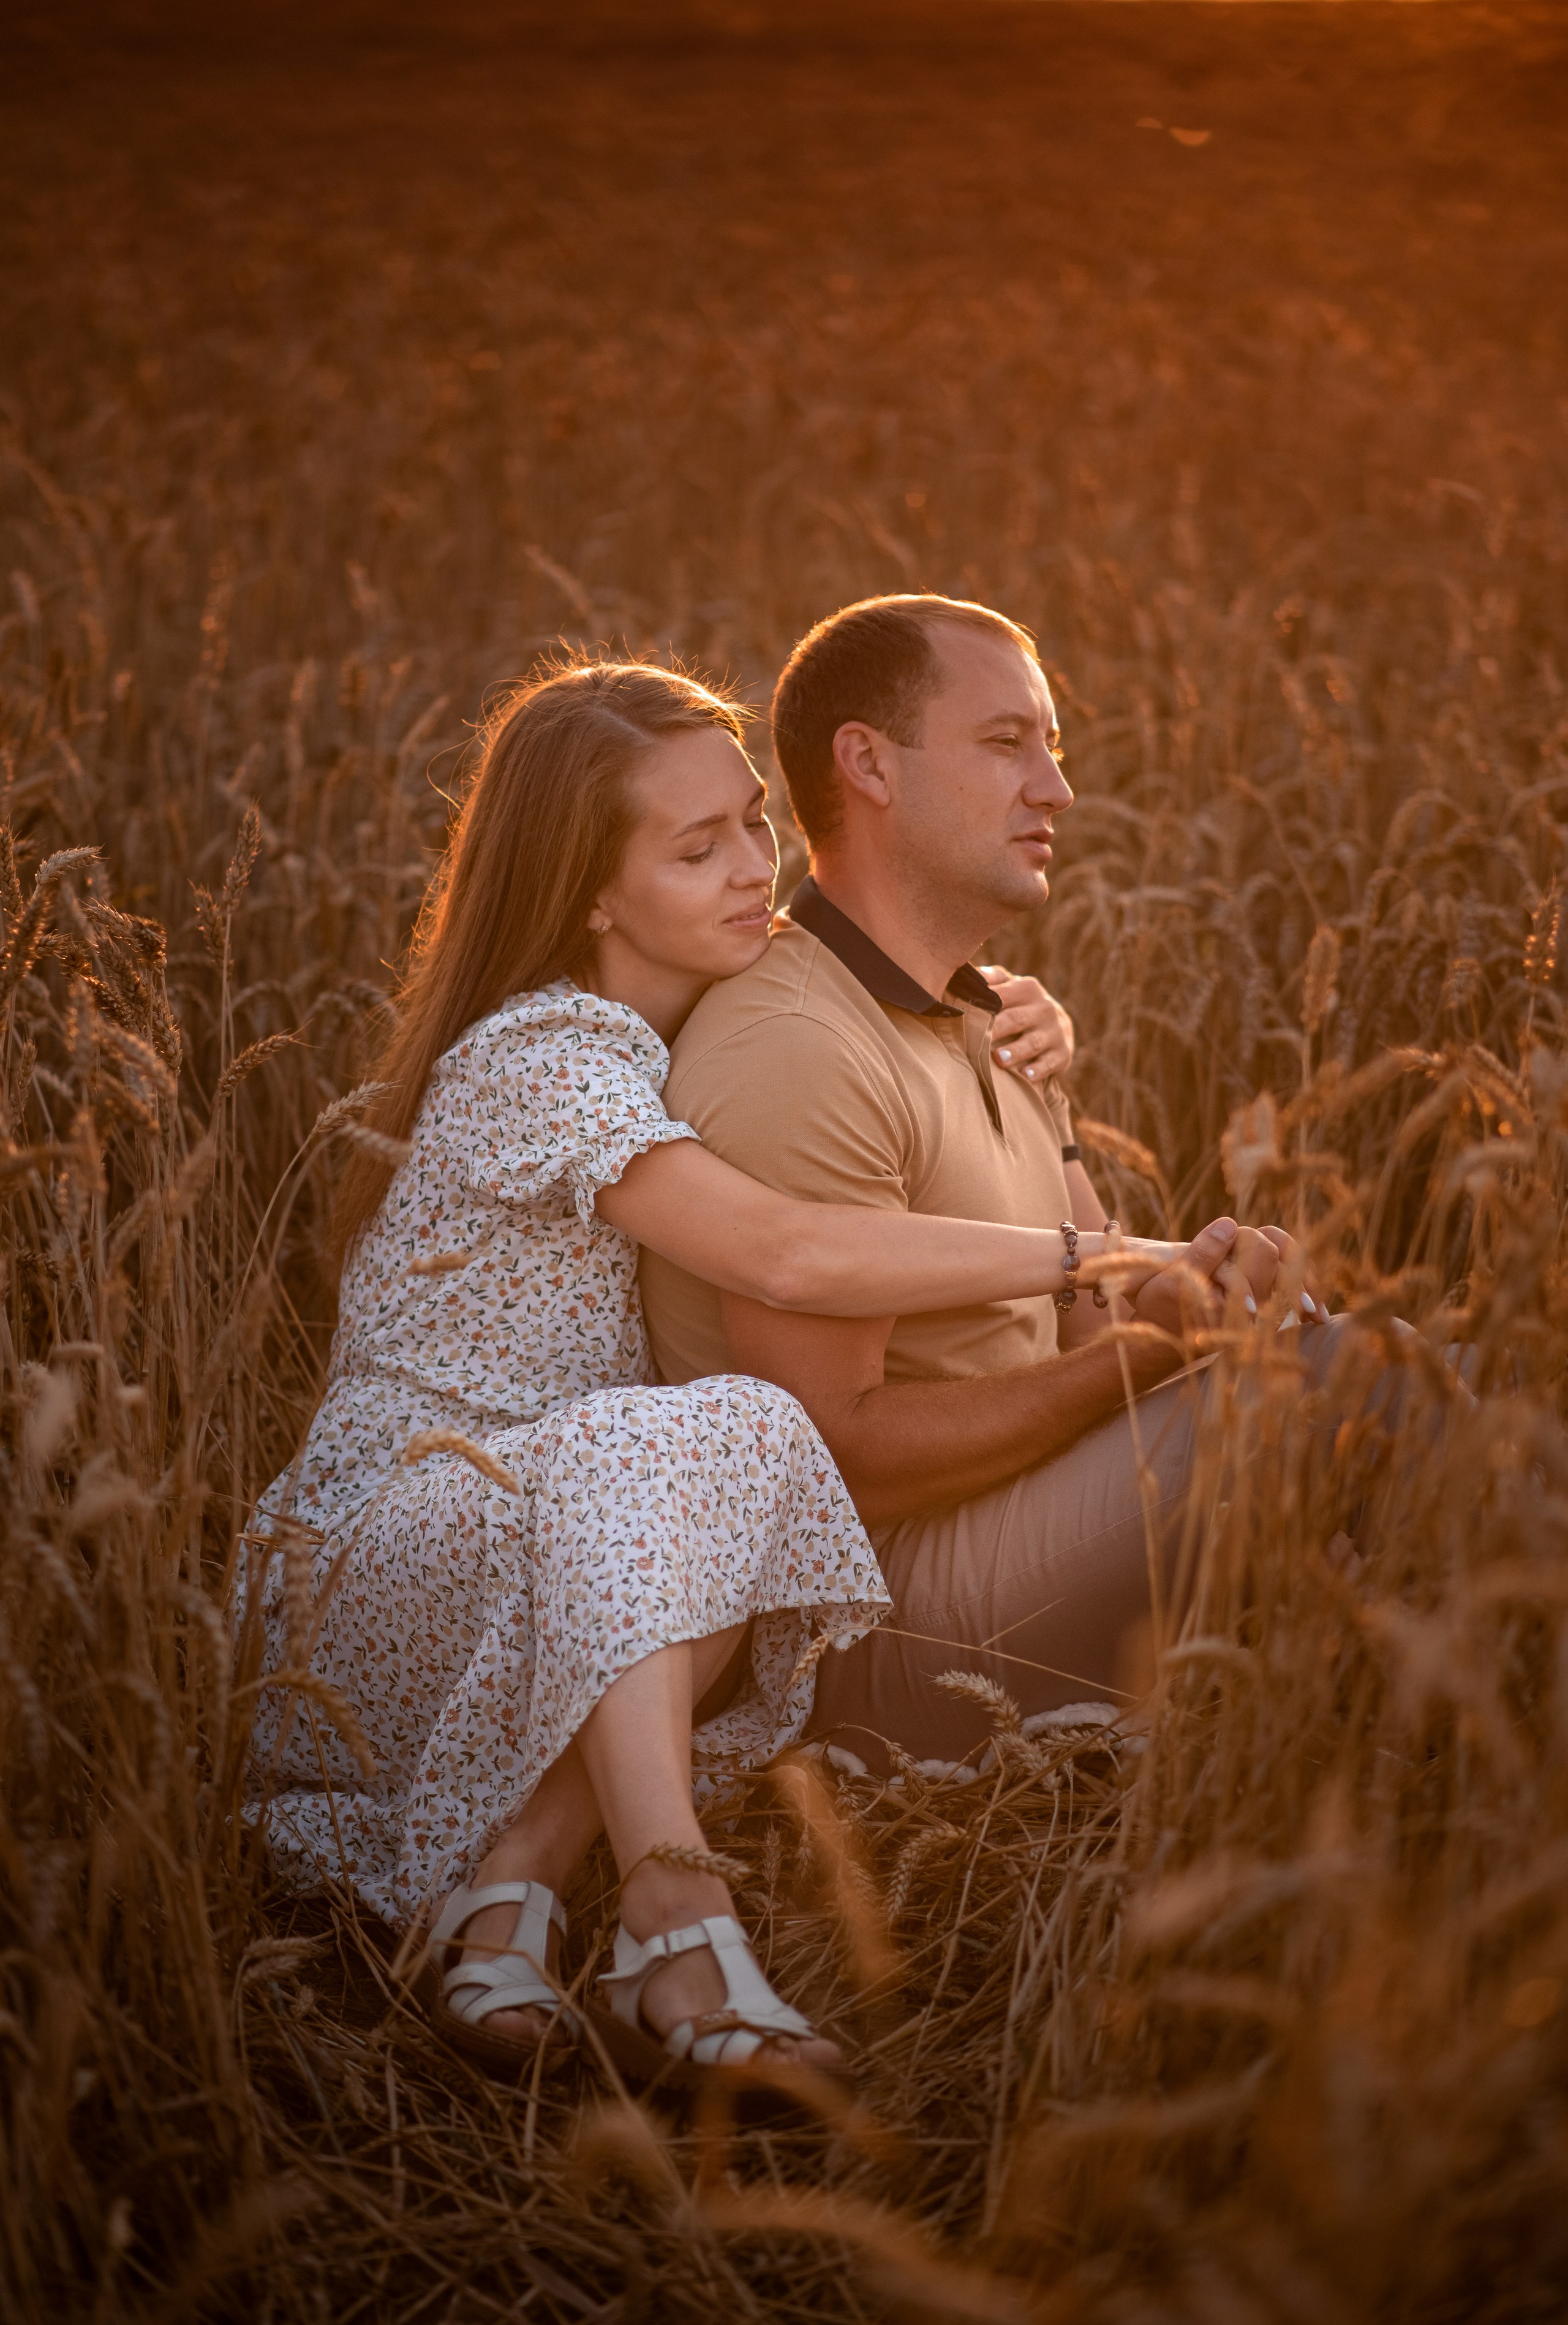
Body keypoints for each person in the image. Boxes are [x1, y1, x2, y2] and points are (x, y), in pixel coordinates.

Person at [247, 657, 1196, 2090]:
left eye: (754, 823)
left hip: (570, 1538)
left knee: (710, 1470)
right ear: (586, 893)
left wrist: (1000, 1021)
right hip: (388, 1556)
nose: (758, 868)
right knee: (726, 1433)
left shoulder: (681, 1031)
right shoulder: (540, 1054)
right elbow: (789, 1256)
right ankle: (675, 1915)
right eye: (698, 849)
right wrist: (1102, 1259)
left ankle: (506, 1891)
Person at [640, 594, 1317, 1767]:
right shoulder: (794, 1043)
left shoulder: (992, 1016)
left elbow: (1090, 1302)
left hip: (1026, 1527)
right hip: (877, 1627)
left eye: (1052, 746)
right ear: (870, 766)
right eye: (1008, 743)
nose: (1054, 787)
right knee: (1351, 1392)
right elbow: (828, 1453)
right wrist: (1151, 1360)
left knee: (1415, 1377)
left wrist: (1200, 1293)